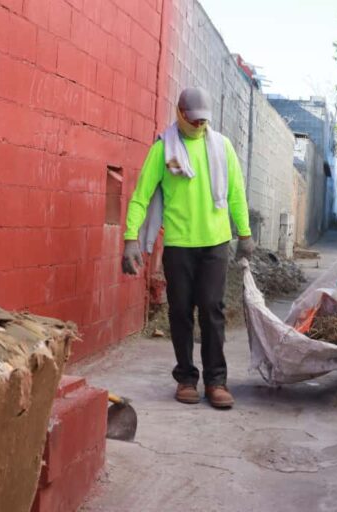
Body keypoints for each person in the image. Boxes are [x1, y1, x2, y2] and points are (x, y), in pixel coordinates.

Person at [121, 87, 254, 408]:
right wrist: (130, 238)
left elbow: (236, 193)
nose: (198, 127)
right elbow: (141, 195)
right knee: (180, 313)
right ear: (180, 114)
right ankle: (185, 378)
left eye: (203, 122)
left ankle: (216, 381)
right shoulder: (162, 150)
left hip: (216, 244)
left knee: (212, 310)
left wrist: (245, 234)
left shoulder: (222, 148)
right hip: (179, 245)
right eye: (193, 121)